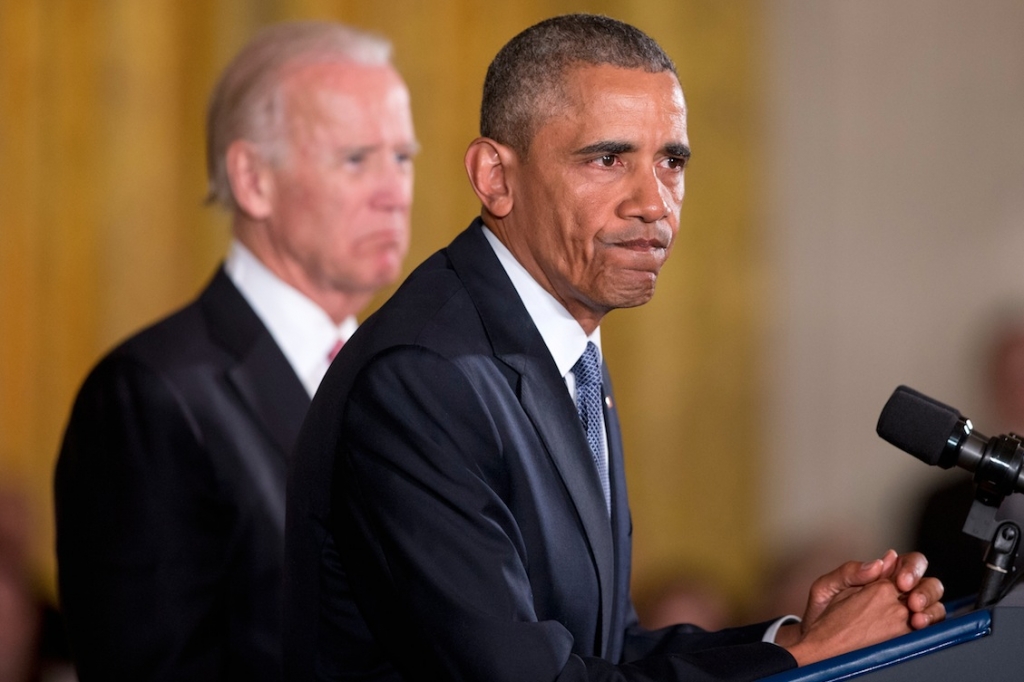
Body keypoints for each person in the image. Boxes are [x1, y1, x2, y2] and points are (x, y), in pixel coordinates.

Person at [284, 13, 943, 682]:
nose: (654, 204)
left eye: (672, 161)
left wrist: (795, 636)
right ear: (495, 177)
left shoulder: (562, 348)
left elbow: (602, 650)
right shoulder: (427, 378)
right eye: (608, 158)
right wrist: (804, 660)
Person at [54, 21, 416, 681]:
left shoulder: (411, 382)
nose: (395, 192)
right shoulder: (149, 397)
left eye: (404, 157)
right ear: (252, 179)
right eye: (358, 158)